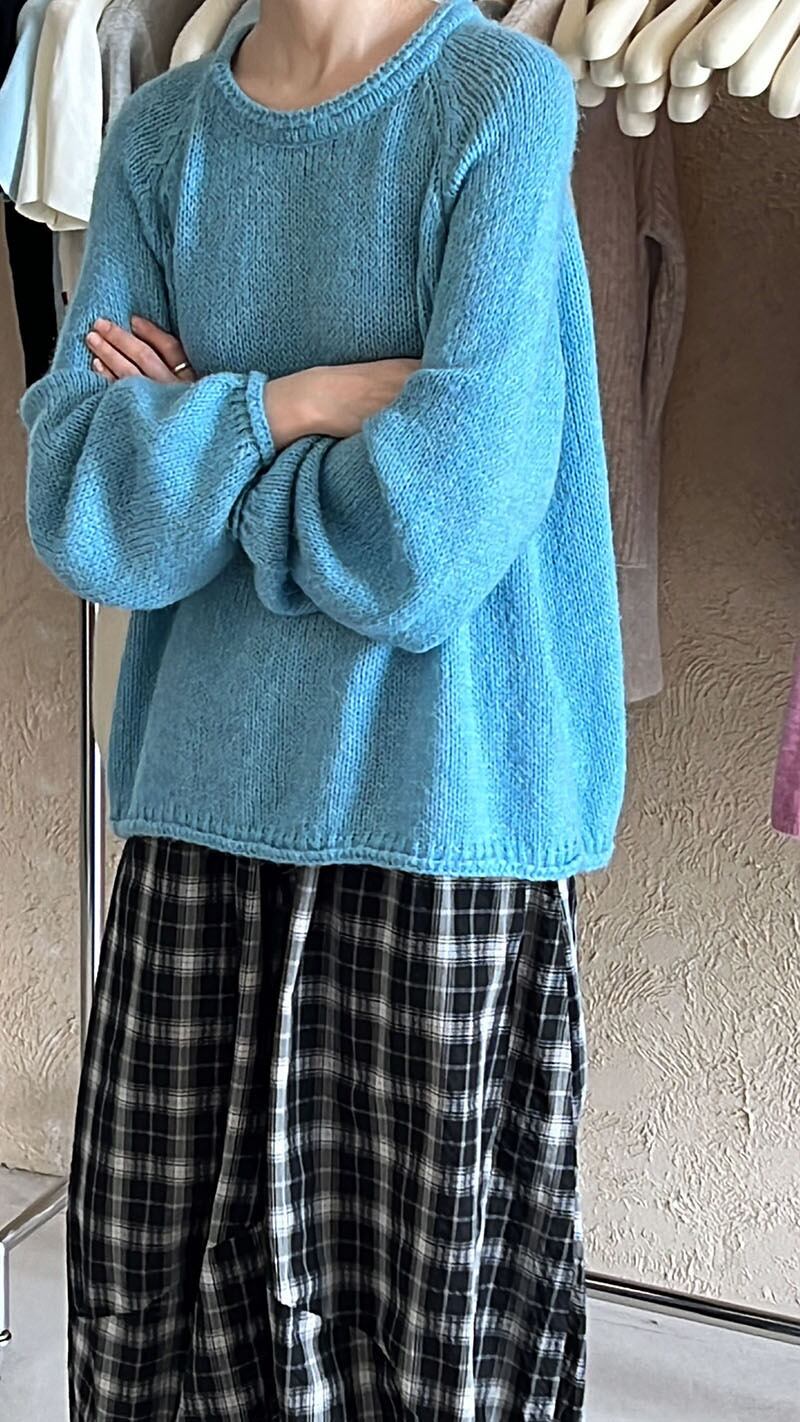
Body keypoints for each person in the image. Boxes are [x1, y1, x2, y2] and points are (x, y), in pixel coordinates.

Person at [21, 0, 626, 1416]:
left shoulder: (497, 100)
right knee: (161, 1330)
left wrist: (202, 433)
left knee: (430, 1350)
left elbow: (433, 533)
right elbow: (82, 505)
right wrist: (296, 404)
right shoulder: (161, 136)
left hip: (439, 821)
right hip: (198, 819)